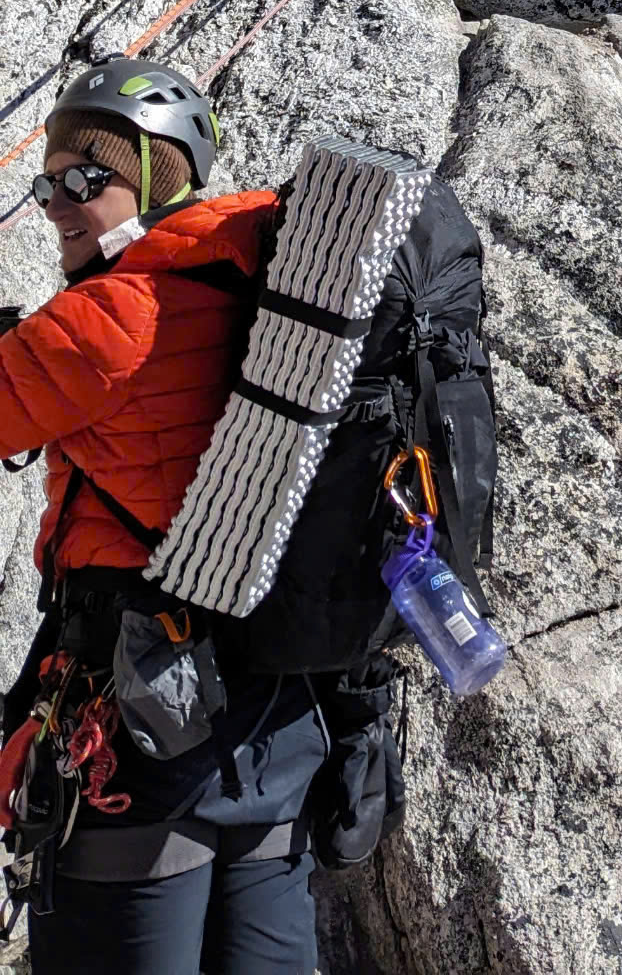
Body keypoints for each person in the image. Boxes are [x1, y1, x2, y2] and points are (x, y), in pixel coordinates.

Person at [0, 60, 327, 974]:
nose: (58, 202)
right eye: (47, 180)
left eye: (85, 177)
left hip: (136, 727)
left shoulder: (108, 316)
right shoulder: (250, 288)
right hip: (270, 724)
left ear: (159, 177)